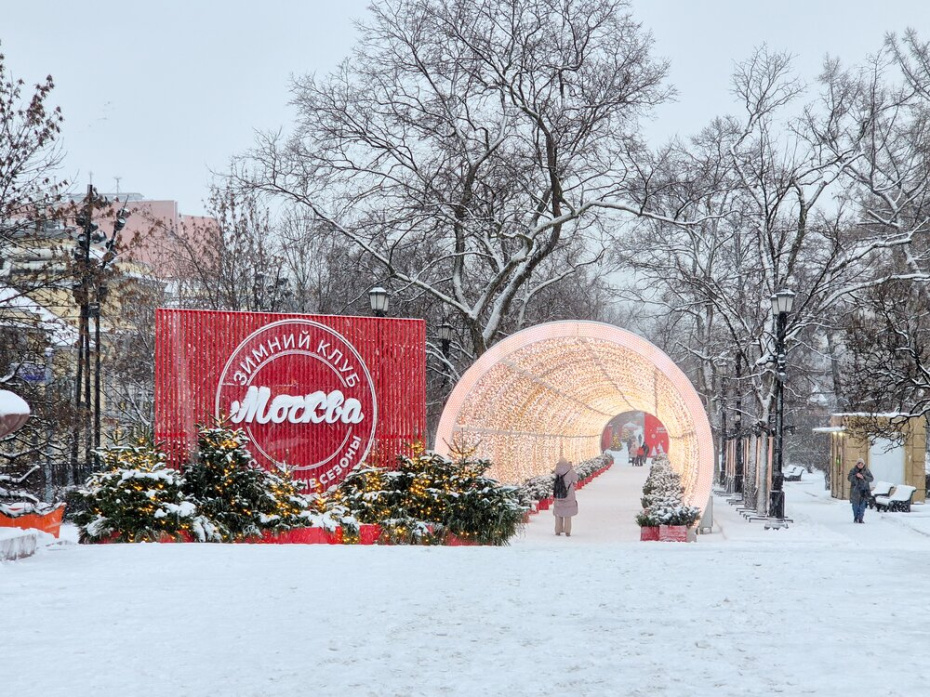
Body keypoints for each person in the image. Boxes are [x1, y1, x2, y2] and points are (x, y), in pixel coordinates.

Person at [553, 457, 579, 536]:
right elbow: (576, 478)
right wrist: (571, 467)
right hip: (568, 494)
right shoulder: (570, 471)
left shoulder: (556, 470)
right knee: (568, 514)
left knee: (558, 513)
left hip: (558, 495)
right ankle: (567, 531)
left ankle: (558, 530)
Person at [847, 458, 874, 524]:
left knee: (862, 506)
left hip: (864, 491)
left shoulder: (867, 471)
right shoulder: (853, 470)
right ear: (857, 464)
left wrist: (863, 477)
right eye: (859, 463)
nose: (860, 465)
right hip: (855, 491)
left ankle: (860, 518)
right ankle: (856, 517)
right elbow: (849, 478)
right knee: (855, 506)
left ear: (863, 464)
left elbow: (871, 479)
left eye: (861, 464)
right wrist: (856, 476)